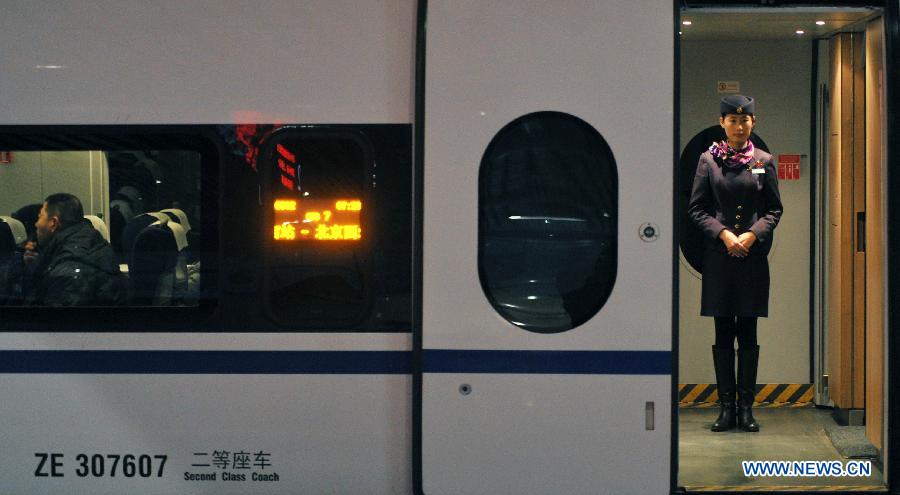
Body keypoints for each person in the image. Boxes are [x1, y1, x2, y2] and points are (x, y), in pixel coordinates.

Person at [687, 95, 783, 432]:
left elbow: (774, 209)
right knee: (724, 331)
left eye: (745, 121)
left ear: (753, 123)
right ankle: (726, 409)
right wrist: (725, 235)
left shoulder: (763, 160)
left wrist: (753, 235)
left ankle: (746, 409)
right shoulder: (707, 161)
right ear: (722, 123)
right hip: (721, 258)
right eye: (732, 120)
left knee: (749, 331)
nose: (739, 126)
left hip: (752, 258)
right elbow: (696, 209)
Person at [26, 193, 125, 306]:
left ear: (53, 223)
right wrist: (37, 266)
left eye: (40, 217)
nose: (36, 223)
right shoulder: (94, 242)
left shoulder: (68, 269)